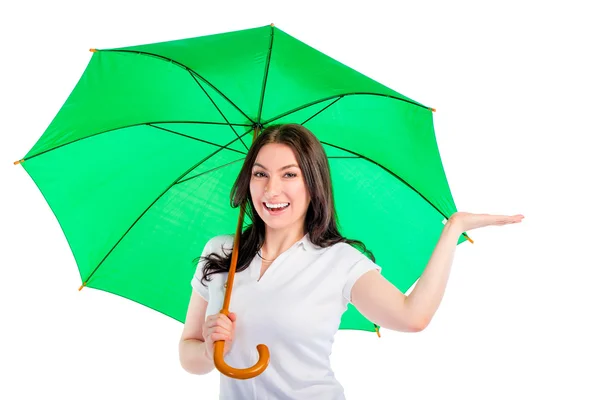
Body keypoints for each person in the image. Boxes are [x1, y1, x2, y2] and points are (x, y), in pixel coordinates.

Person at [178, 123, 524, 399]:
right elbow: (187, 351)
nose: (271, 190)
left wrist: (453, 229)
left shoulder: (338, 261)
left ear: (313, 184)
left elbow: (413, 316)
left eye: (289, 174)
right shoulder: (221, 252)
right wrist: (210, 352)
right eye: (260, 173)